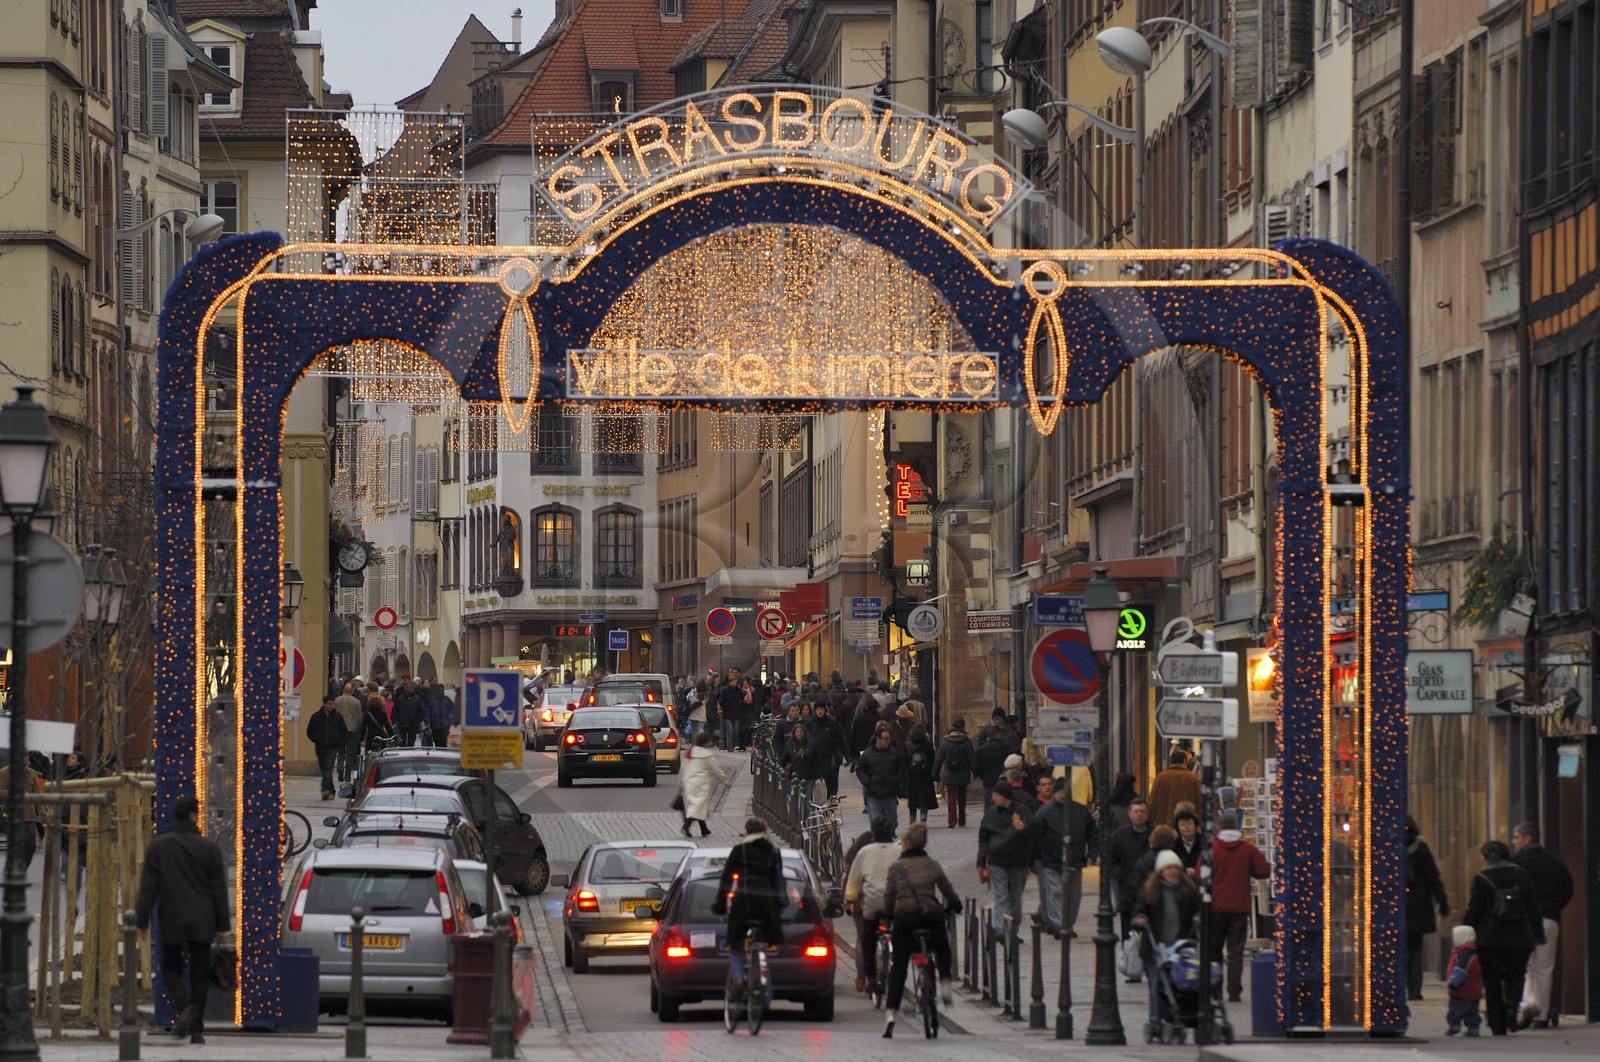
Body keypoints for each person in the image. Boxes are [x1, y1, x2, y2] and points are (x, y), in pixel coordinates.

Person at [134, 796, 230, 1045]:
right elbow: (218, 890)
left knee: (170, 970)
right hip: (203, 920)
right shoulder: (209, 849)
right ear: (193, 816)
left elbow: (148, 888)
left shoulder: (159, 846)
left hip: (172, 918)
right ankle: (197, 1029)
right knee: (200, 974)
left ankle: (183, 1006)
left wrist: (141, 922)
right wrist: (222, 927)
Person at [880, 822, 961, 1037]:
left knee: (898, 968)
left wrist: (888, 915)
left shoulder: (896, 867)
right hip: (930, 917)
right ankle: (944, 986)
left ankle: (890, 1015)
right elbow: (948, 890)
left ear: (906, 842)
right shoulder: (932, 865)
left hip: (905, 919)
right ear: (923, 842)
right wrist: (955, 905)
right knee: (942, 947)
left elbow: (889, 897)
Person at [1462, 839, 1544, 1036]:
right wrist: (1538, 933)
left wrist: (1466, 931)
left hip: (1489, 938)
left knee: (1491, 979)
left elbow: (1474, 909)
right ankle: (1511, 1008)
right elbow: (1532, 905)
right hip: (1519, 936)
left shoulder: (1481, 878)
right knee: (1516, 975)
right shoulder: (1521, 874)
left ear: (1485, 858)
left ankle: (1497, 1022)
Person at [711, 817, 788, 999]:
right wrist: (780, 907)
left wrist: (721, 904)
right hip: (766, 904)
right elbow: (778, 881)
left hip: (743, 902)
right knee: (763, 943)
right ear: (765, 832)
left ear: (747, 831)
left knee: (735, 943)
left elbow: (726, 879)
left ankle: (739, 979)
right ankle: (764, 990)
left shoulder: (739, 850)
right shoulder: (773, 851)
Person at [1511, 821, 1573, 1029]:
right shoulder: (1556, 863)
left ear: (1528, 839)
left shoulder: (1516, 863)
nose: (1513, 842)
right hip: (1549, 919)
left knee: (1526, 966)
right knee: (1545, 969)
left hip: (1524, 920)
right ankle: (1542, 1015)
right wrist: (1554, 908)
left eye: (1516, 837)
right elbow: (1568, 890)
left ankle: (1529, 1005)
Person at [1133, 849, 1201, 1030]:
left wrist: (1199, 917)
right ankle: (1155, 1021)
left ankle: (1181, 1016)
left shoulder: (1188, 891)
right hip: (1156, 948)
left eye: (1175, 867)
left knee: (1182, 986)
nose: (1172, 871)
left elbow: (1197, 910)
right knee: (1156, 986)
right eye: (1168, 868)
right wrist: (1139, 919)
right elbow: (1139, 910)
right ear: (1161, 871)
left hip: (1181, 948)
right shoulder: (1150, 891)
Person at [1210, 809, 1270, 1002]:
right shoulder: (1247, 849)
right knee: (1235, 951)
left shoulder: (1212, 849)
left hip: (1216, 907)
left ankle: (1215, 988)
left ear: (1218, 829)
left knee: (1214, 950)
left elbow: (1200, 875)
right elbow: (1263, 871)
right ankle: (1234, 991)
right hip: (1239, 907)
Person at [1033, 774, 1093, 938]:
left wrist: (1092, 853)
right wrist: (1035, 859)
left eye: (1065, 793)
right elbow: (1034, 835)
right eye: (1060, 792)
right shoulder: (1045, 812)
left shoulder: (1080, 811)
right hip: (1051, 861)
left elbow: (1092, 832)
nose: (1062, 796)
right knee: (1056, 891)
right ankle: (1059, 925)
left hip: (1075, 860)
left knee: (1074, 894)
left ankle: (1069, 924)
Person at [843, 817, 899, 993]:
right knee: (898, 935)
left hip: (872, 902)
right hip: (895, 903)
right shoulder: (900, 851)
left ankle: (870, 978)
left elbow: (853, 880)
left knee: (867, 939)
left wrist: (850, 899)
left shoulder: (865, 852)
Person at [977, 779, 1035, 936]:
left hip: (1018, 862)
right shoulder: (990, 814)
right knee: (1001, 896)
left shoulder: (1022, 812)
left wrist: (1024, 829)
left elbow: (1033, 835)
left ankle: (1012, 930)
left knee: (1015, 899)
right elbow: (983, 838)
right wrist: (981, 862)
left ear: (1005, 796)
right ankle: (1000, 930)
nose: (993, 798)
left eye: (996, 795)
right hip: (998, 861)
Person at [1404, 814, 1449, 1000]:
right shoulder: (1420, 847)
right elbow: (1433, 877)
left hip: (1395, 905)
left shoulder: (1388, 845)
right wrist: (1442, 901)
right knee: (1415, 949)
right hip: (1418, 905)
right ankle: (1415, 991)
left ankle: (1398, 988)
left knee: (1397, 950)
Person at [1106, 797, 1153, 948]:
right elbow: (1110, 860)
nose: (1139, 814)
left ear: (1147, 814)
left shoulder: (1154, 835)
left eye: (1142, 811)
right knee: (1128, 934)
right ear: (1129, 814)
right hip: (1128, 891)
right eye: (1136, 811)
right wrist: (1119, 875)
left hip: (1151, 891)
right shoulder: (1119, 836)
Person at [678, 730, 730, 838]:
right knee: (698, 807)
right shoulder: (707, 756)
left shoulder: (690, 754)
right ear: (706, 743)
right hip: (701, 784)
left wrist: (681, 782)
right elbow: (716, 771)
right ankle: (686, 826)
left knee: (699, 807)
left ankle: (704, 829)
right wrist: (725, 781)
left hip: (689, 783)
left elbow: (683, 769)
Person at [856, 725, 906, 832]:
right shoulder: (867, 754)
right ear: (878, 739)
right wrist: (867, 781)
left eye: (889, 739)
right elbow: (860, 769)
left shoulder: (894, 753)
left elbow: (902, 767)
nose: (888, 741)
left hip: (890, 792)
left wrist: (897, 780)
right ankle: (878, 839)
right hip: (873, 793)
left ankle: (890, 834)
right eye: (885, 739)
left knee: (891, 820)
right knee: (875, 820)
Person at [1148, 748, 1202, 833]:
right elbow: (1199, 803)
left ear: (1171, 761)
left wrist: (1150, 822)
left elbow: (1153, 802)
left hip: (1165, 827)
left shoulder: (1161, 777)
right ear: (1185, 761)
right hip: (1186, 827)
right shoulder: (1193, 779)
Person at [933, 718, 974, 828]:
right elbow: (971, 758)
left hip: (949, 772)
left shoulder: (945, 741)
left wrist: (935, 773)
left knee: (951, 796)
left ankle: (952, 820)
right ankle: (962, 819)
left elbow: (939, 758)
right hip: (963, 772)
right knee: (962, 797)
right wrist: (975, 771)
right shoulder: (967, 741)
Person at [305, 696, 348, 799]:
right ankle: (331, 790)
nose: (331, 706)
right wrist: (316, 739)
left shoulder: (338, 717)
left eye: (333, 704)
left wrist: (338, 740)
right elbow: (310, 731)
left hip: (333, 747)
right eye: (329, 704)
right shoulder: (316, 716)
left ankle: (326, 791)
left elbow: (344, 731)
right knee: (324, 769)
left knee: (328, 768)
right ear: (324, 704)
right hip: (320, 747)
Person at [1446, 924, 1483, 1037]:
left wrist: (1453, 983)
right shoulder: (1474, 952)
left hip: (1462, 989)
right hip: (1474, 989)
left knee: (1455, 1009)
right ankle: (1473, 1028)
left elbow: (1461, 970)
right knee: (1472, 1012)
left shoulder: (1463, 954)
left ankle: (1454, 1025)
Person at [903, 724, 938, 824]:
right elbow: (932, 759)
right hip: (925, 775)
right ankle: (923, 817)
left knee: (912, 798)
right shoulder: (928, 745)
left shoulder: (908, 745)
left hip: (911, 775)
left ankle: (912, 819)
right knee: (924, 796)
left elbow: (904, 760)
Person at [973, 724, 1012, 810]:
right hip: (1003, 781)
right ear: (997, 734)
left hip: (988, 781)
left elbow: (976, 768)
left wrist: (983, 776)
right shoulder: (1006, 748)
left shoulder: (981, 750)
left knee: (989, 807)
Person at [333, 681, 364, 780]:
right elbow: (359, 717)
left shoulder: (337, 700)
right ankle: (347, 776)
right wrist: (359, 729)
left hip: (339, 730)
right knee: (350, 753)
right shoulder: (356, 702)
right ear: (352, 691)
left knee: (341, 751)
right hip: (352, 730)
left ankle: (340, 768)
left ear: (343, 690)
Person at [389, 680, 424, 748]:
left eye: (410, 688)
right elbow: (395, 710)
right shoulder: (400, 698)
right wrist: (395, 721)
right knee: (402, 742)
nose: (408, 689)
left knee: (411, 742)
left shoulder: (417, 699)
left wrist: (417, 721)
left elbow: (422, 711)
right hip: (402, 723)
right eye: (407, 687)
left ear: (414, 689)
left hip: (413, 724)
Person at [1172, 805, 1203, 871]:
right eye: (1182, 825)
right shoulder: (1174, 846)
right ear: (1178, 829)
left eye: (1190, 824)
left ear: (1196, 826)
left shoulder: (1204, 843)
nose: (1187, 827)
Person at [424, 683, 454, 748]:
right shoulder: (432, 700)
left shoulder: (447, 700)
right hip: (435, 725)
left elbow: (452, 710)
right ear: (437, 690)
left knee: (443, 742)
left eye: (442, 690)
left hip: (444, 725)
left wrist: (449, 719)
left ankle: (443, 753)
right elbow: (428, 711)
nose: (441, 692)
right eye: (440, 690)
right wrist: (427, 720)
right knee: (437, 741)